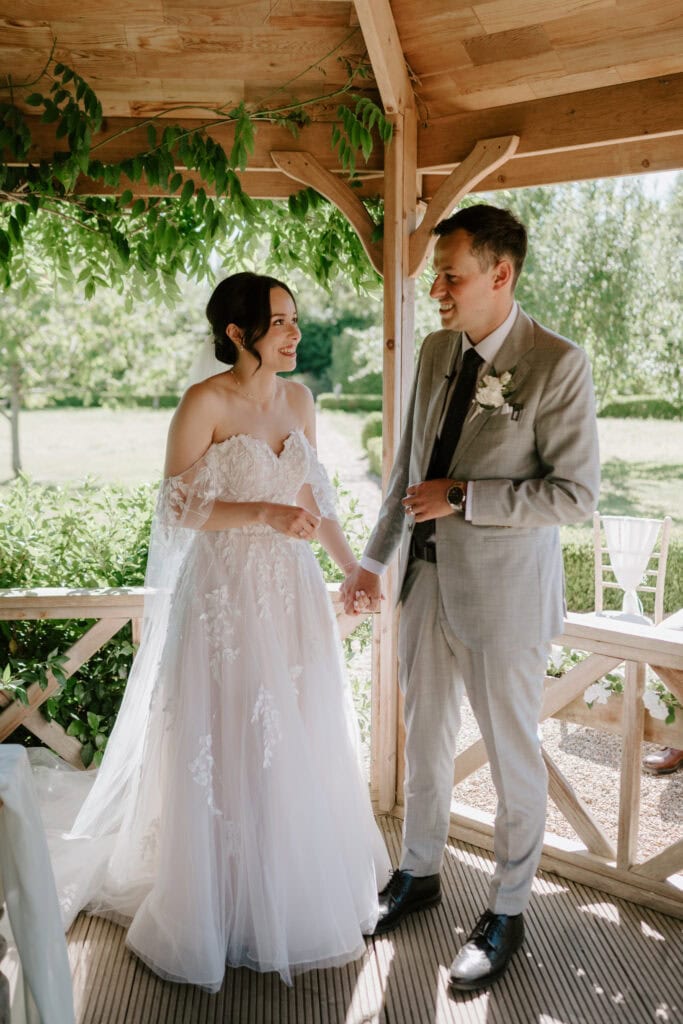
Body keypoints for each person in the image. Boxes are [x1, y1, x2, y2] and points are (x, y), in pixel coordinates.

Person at [30, 272, 390, 992]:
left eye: (294, 320)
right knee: (225, 734)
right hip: (225, 597)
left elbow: (313, 499)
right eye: (280, 322)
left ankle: (282, 891)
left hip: (288, 596)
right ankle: (214, 896)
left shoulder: (300, 401)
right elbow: (179, 511)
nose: (293, 333)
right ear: (237, 332)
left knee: (295, 733)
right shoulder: (205, 403)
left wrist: (354, 569)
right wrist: (259, 515)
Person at [342, 204, 600, 992]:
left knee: (512, 759)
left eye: (448, 276)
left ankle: (507, 909)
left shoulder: (557, 363)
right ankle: (417, 874)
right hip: (420, 589)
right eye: (435, 278)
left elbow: (575, 497)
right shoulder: (430, 351)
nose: (439, 290)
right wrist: (370, 561)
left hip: (504, 601)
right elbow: (406, 471)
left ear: (500, 273)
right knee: (422, 744)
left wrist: (463, 497)